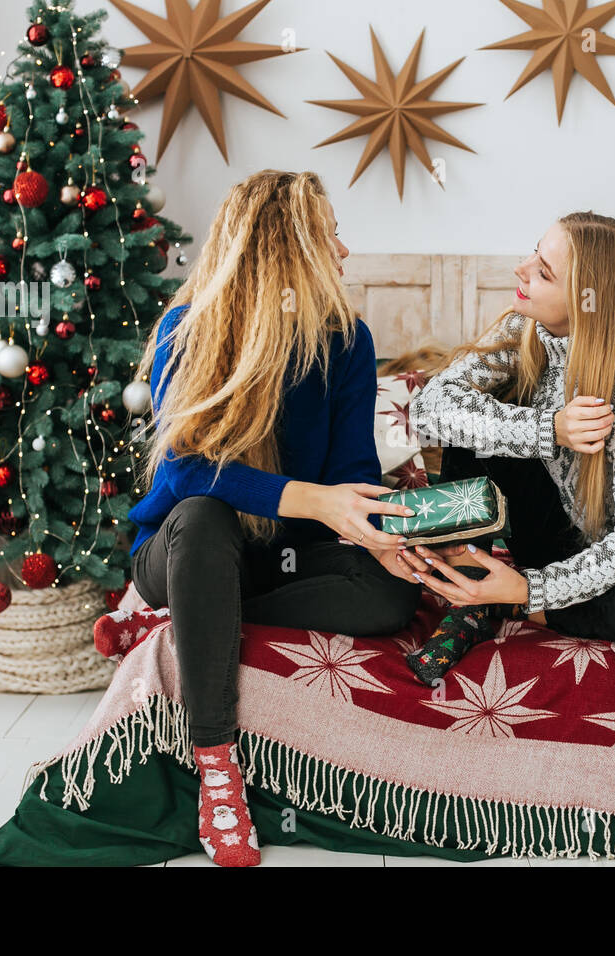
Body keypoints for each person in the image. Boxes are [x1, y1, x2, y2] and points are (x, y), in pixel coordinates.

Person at [126, 170, 421, 866]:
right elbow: (185, 471)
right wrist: (314, 500)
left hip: (282, 558)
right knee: (202, 517)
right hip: (183, 547)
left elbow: (352, 468)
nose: (344, 252)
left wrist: (377, 535)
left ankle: (211, 612)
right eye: (330, 235)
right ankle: (216, 764)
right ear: (285, 249)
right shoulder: (188, 329)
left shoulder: (346, 339)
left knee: (391, 595)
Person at [402, 211, 615, 684]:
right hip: (561, 530)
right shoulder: (523, 330)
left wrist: (530, 589)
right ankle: (469, 594)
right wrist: (549, 428)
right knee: (473, 424)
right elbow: (429, 409)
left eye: (544, 272)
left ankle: (502, 602)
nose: (521, 268)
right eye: (535, 252)